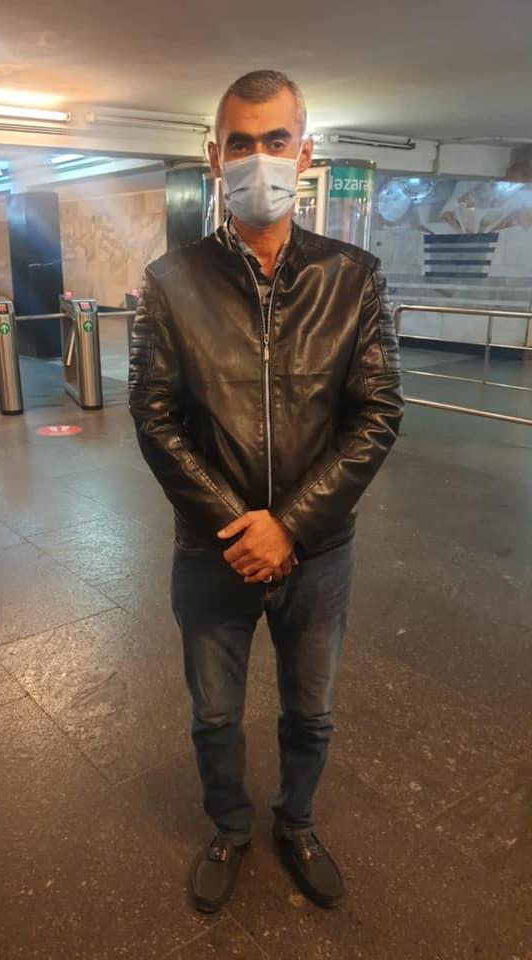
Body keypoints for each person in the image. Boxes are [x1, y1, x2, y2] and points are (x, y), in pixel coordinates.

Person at [129, 71, 403, 914]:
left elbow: (378, 413)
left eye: (275, 140)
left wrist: (290, 526)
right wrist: (237, 526)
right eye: (240, 143)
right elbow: (154, 417)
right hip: (210, 548)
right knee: (215, 713)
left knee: (310, 713)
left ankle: (297, 821)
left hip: (319, 551)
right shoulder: (172, 279)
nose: (258, 158)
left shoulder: (353, 277)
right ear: (215, 157)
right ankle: (229, 826)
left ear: (304, 152)